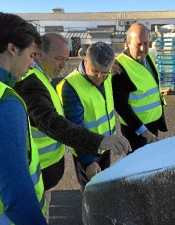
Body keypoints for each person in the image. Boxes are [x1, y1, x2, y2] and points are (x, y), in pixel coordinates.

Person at [14, 34, 131, 216]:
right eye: (59, 59)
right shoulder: (34, 82)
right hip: (39, 171)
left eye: (66, 59)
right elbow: (54, 123)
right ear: (38, 54)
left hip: (53, 169)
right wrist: (94, 150)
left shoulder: (44, 77)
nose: (62, 65)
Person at [0, 12, 46, 224]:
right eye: (32, 55)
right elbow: (17, 198)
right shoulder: (4, 103)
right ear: (12, 49)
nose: (32, 65)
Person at [56, 42, 117, 191]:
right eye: (95, 71)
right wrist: (88, 162)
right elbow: (75, 127)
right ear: (85, 61)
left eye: (105, 72)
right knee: (90, 195)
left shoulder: (106, 76)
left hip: (105, 146)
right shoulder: (70, 87)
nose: (100, 77)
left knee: (104, 191)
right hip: (86, 151)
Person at [112, 22, 168, 152]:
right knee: (138, 167)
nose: (143, 48)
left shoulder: (148, 56)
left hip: (153, 122)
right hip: (136, 130)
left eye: (146, 43)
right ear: (127, 43)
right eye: (138, 45)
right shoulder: (119, 67)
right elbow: (121, 106)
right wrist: (142, 131)